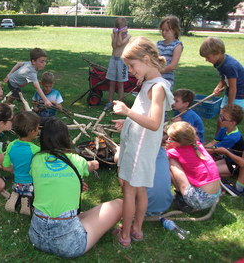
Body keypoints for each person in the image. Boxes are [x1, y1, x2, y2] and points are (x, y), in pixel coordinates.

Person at [28, 117, 123, 258]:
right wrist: (94, 164)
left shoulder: (36, 160)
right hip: (69, 244)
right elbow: (90, 166)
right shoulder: (76, 160)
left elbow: (50, 181)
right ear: (66, 138)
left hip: (36, 235)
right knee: (119, 204)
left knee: (82, 214)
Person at [112, 37, 174, 248]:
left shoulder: (157, 87)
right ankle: (137, 229)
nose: (130, 70)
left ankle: (126, 234)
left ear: (146, 59)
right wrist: (128, 120)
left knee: (129, 190)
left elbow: (155, 123)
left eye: (132, 65)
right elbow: (144, 113)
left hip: (140, 149)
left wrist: (127, 110)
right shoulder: (150, 82)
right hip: (142, 145)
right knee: (140, 190)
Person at [166, 122, 221, 211]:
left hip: (199, 200)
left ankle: (181, 197)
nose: (167, 141)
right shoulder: (197, 145)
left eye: (170, 139)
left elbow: (159, 155)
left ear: (179, 143)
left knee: (170, 162)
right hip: (215, 195)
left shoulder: (175, 152)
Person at [199, 37, 244, 133]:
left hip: (239, 95)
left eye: (208, 57)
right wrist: (219, 86)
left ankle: (227, 144)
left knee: (228, 123)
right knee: (220, 121)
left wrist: (230, 107)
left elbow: (233, 88)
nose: (206, 60)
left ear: (218, 53)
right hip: (229, 93)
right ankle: (217, 142)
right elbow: (224, 77)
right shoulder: (219, 62)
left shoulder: (229, 66)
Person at [3, 111, 40, 215]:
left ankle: (15, 196)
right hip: (31, 183)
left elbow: (5, 167)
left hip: (17, 181)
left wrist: (16, 169)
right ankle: (27, 200)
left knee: (19, 188)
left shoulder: (11, 145)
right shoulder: (36, 150)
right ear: (32, 131)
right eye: (38, 127)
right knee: (33, 191)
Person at [104, 17, 131, 111]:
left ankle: (120, 103)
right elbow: (114, 45)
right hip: (113, 60)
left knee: (120, 83)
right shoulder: (113, 35)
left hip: (122, 61)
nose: (123, 31)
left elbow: (120, 44)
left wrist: (119, 34)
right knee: (111, 82)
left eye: (124, 29)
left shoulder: (128, 36)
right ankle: (110, 101)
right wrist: (115, 34)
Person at [157, 15, 183, 90]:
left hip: (167, 79)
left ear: (174, 30)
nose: (164, 32)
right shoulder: (159, 44)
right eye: (162, 30)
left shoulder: (177, 45)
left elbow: (173, 65)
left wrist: (159, 71)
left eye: (167, 30)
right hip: (156, 77)